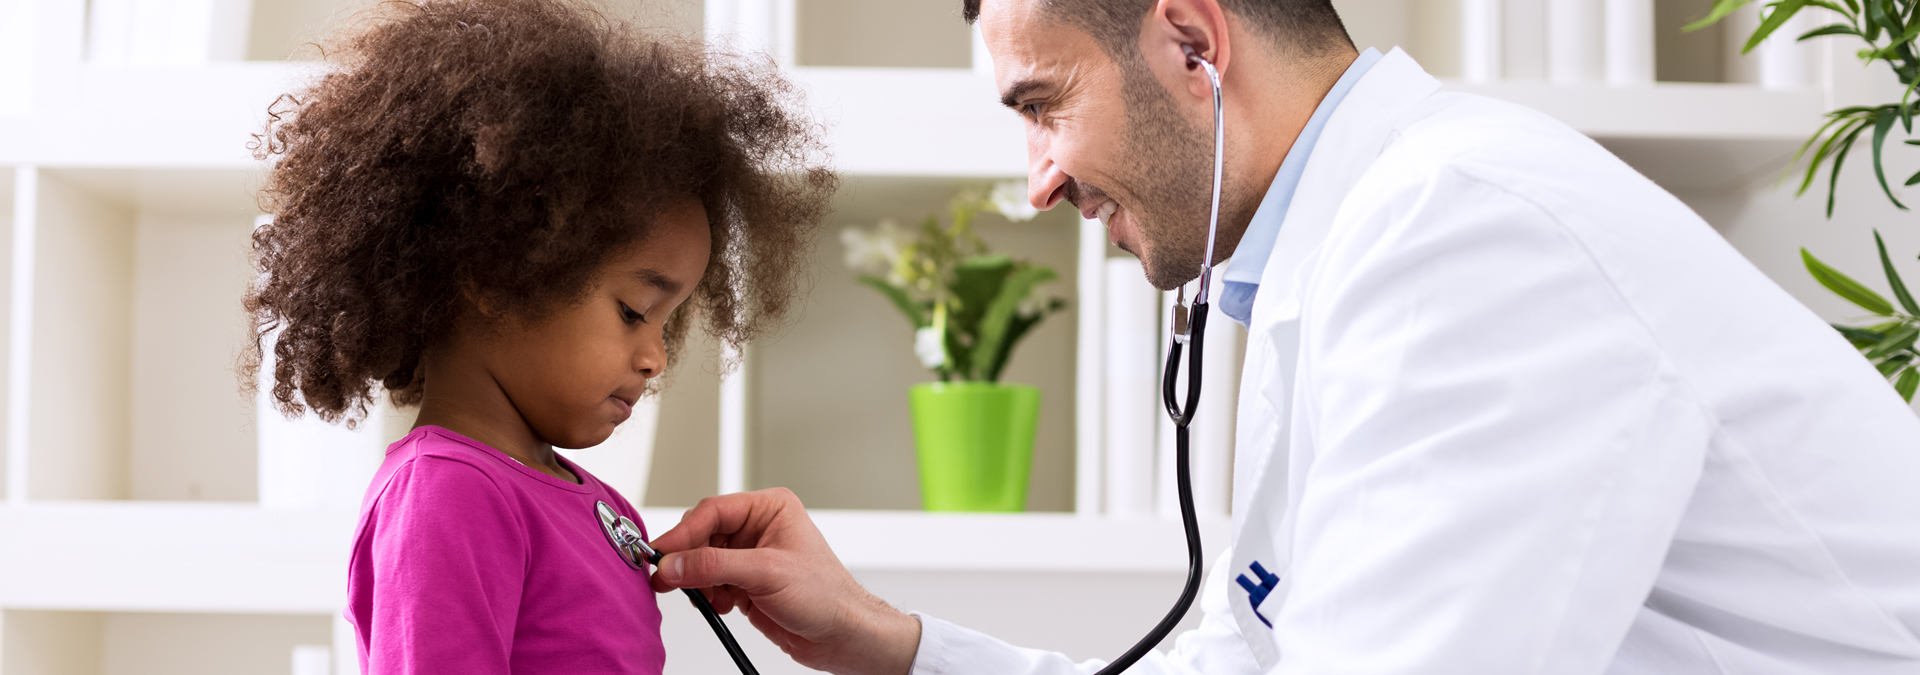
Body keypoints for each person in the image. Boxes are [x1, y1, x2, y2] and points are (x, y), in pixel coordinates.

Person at [646, 0, 1920, 672]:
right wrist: (899, 650)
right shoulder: (1333, 252)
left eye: (1042, 106)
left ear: (1192, 43)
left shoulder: (1461, 233)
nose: (1034, 179)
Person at [240, 0, 834, 671]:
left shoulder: (599, 506)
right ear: (497, 275)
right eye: (635, 311)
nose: (656, 358)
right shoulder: (448, 495)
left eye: (669, 323)